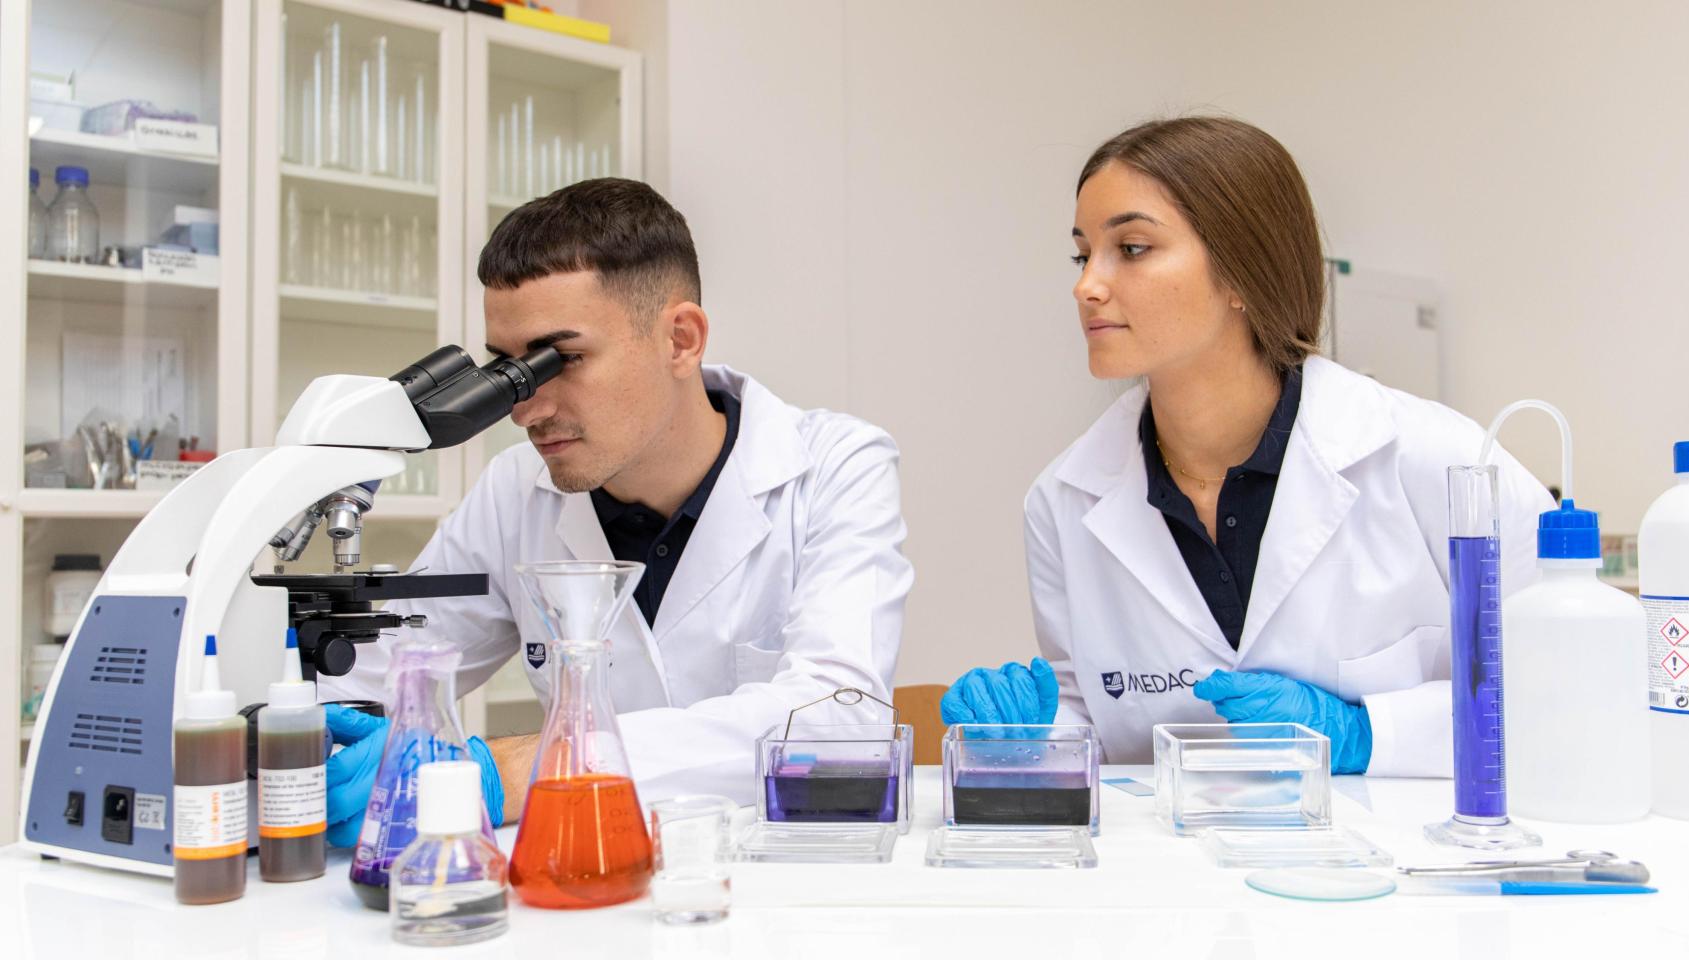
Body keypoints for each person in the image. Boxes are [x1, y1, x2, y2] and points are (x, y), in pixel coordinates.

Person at [940, 117, 1554, 776]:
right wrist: (1030, 734)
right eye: (1082, 253)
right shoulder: (1062, 501)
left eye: (1134, 248)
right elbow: (1091, 720)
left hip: (1403, 867)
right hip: (1173, 872)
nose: (1087, 284)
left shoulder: (1444, 463)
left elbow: (1573, 692)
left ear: (1242, 272)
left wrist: (1365, 734)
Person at [319, 179, 914, 844]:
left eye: (561, 359)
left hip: (777, 896)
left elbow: (840, 722)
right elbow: (383, 675)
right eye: (509, 369)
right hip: (586, 888)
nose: (525, 408)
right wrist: (319, 729)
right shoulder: (514, 490)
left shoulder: (835, 466)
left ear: (681, 340)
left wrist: (524, 768)